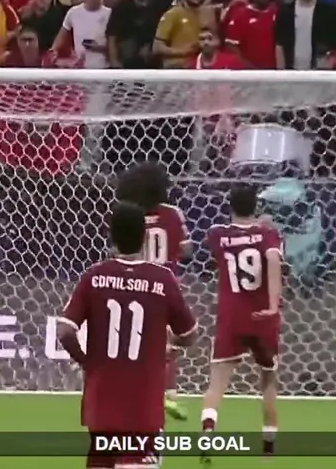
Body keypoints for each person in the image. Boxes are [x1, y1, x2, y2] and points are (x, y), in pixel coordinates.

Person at [56, 202, 198, 469]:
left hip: (102, 404)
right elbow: (190, 334)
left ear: (111, 236)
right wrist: (170, 346)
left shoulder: (94, 276)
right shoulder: (163, 280)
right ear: (144, 236)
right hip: (143, 407)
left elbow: (65, 331)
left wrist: (87, 362)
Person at [199, 185, 283, 459]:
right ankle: (268, 447)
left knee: (217, 382)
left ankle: (207, 435)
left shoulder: (217, 234)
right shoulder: (268, 234)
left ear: (230, 207)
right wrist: (273, 305)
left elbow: (214, 250)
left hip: (232, 317)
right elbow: (273, 260)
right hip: (263, 319)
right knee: (268, 380)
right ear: (255, 207)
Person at [114, 161, 192, 420]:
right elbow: (187, 250)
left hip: (135, 283)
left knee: (132, 339)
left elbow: (118, 249)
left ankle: (131, 390)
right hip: (167, 285)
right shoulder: (173, 213)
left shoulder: (128, 215)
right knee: (168, 343)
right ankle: (170, 394)